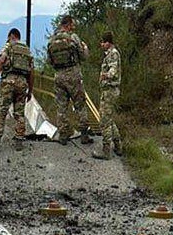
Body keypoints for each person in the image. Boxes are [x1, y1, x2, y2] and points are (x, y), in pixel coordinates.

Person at [47, 15, 92, 145]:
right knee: (80, 104)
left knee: (61, 107)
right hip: (73, 75)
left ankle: (63, 135)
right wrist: (85, 48)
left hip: (59, 76)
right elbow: (83, 57)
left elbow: (49, 61)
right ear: (67, 24)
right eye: (72, 24)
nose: (74, 26)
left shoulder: (52, 40)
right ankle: (84, 135)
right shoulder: (73, 38)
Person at [0, 28, 33, 152]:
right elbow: (31, 72)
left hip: (9, 82)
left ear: (11, 36)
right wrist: (30, 90)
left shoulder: (8, 46)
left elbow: (2, 60)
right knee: (19, 112)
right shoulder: (27, 50)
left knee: (2, 110)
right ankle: (19, 140)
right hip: (22, 83)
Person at [92, 31, 122, 160]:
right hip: (109, 91)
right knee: (109, 119)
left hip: (110, 91)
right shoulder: (109, 54)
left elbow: (113, 71)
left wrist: (106, 75)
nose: (101, 44)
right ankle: (118, 145)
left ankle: (106, 151)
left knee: (104, 120)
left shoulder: (113, 54)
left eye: (103, 42)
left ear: (108, 42)